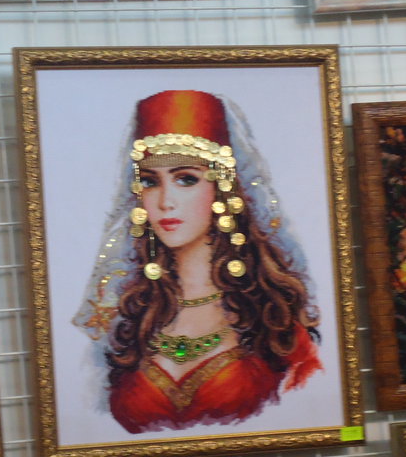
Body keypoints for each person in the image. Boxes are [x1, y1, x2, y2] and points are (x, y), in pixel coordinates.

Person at [73, 90, 321, 434]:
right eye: (150, 182)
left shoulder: (274, 314)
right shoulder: (128, 314)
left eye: (186, 179)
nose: (165, 201)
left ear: (222, 188)